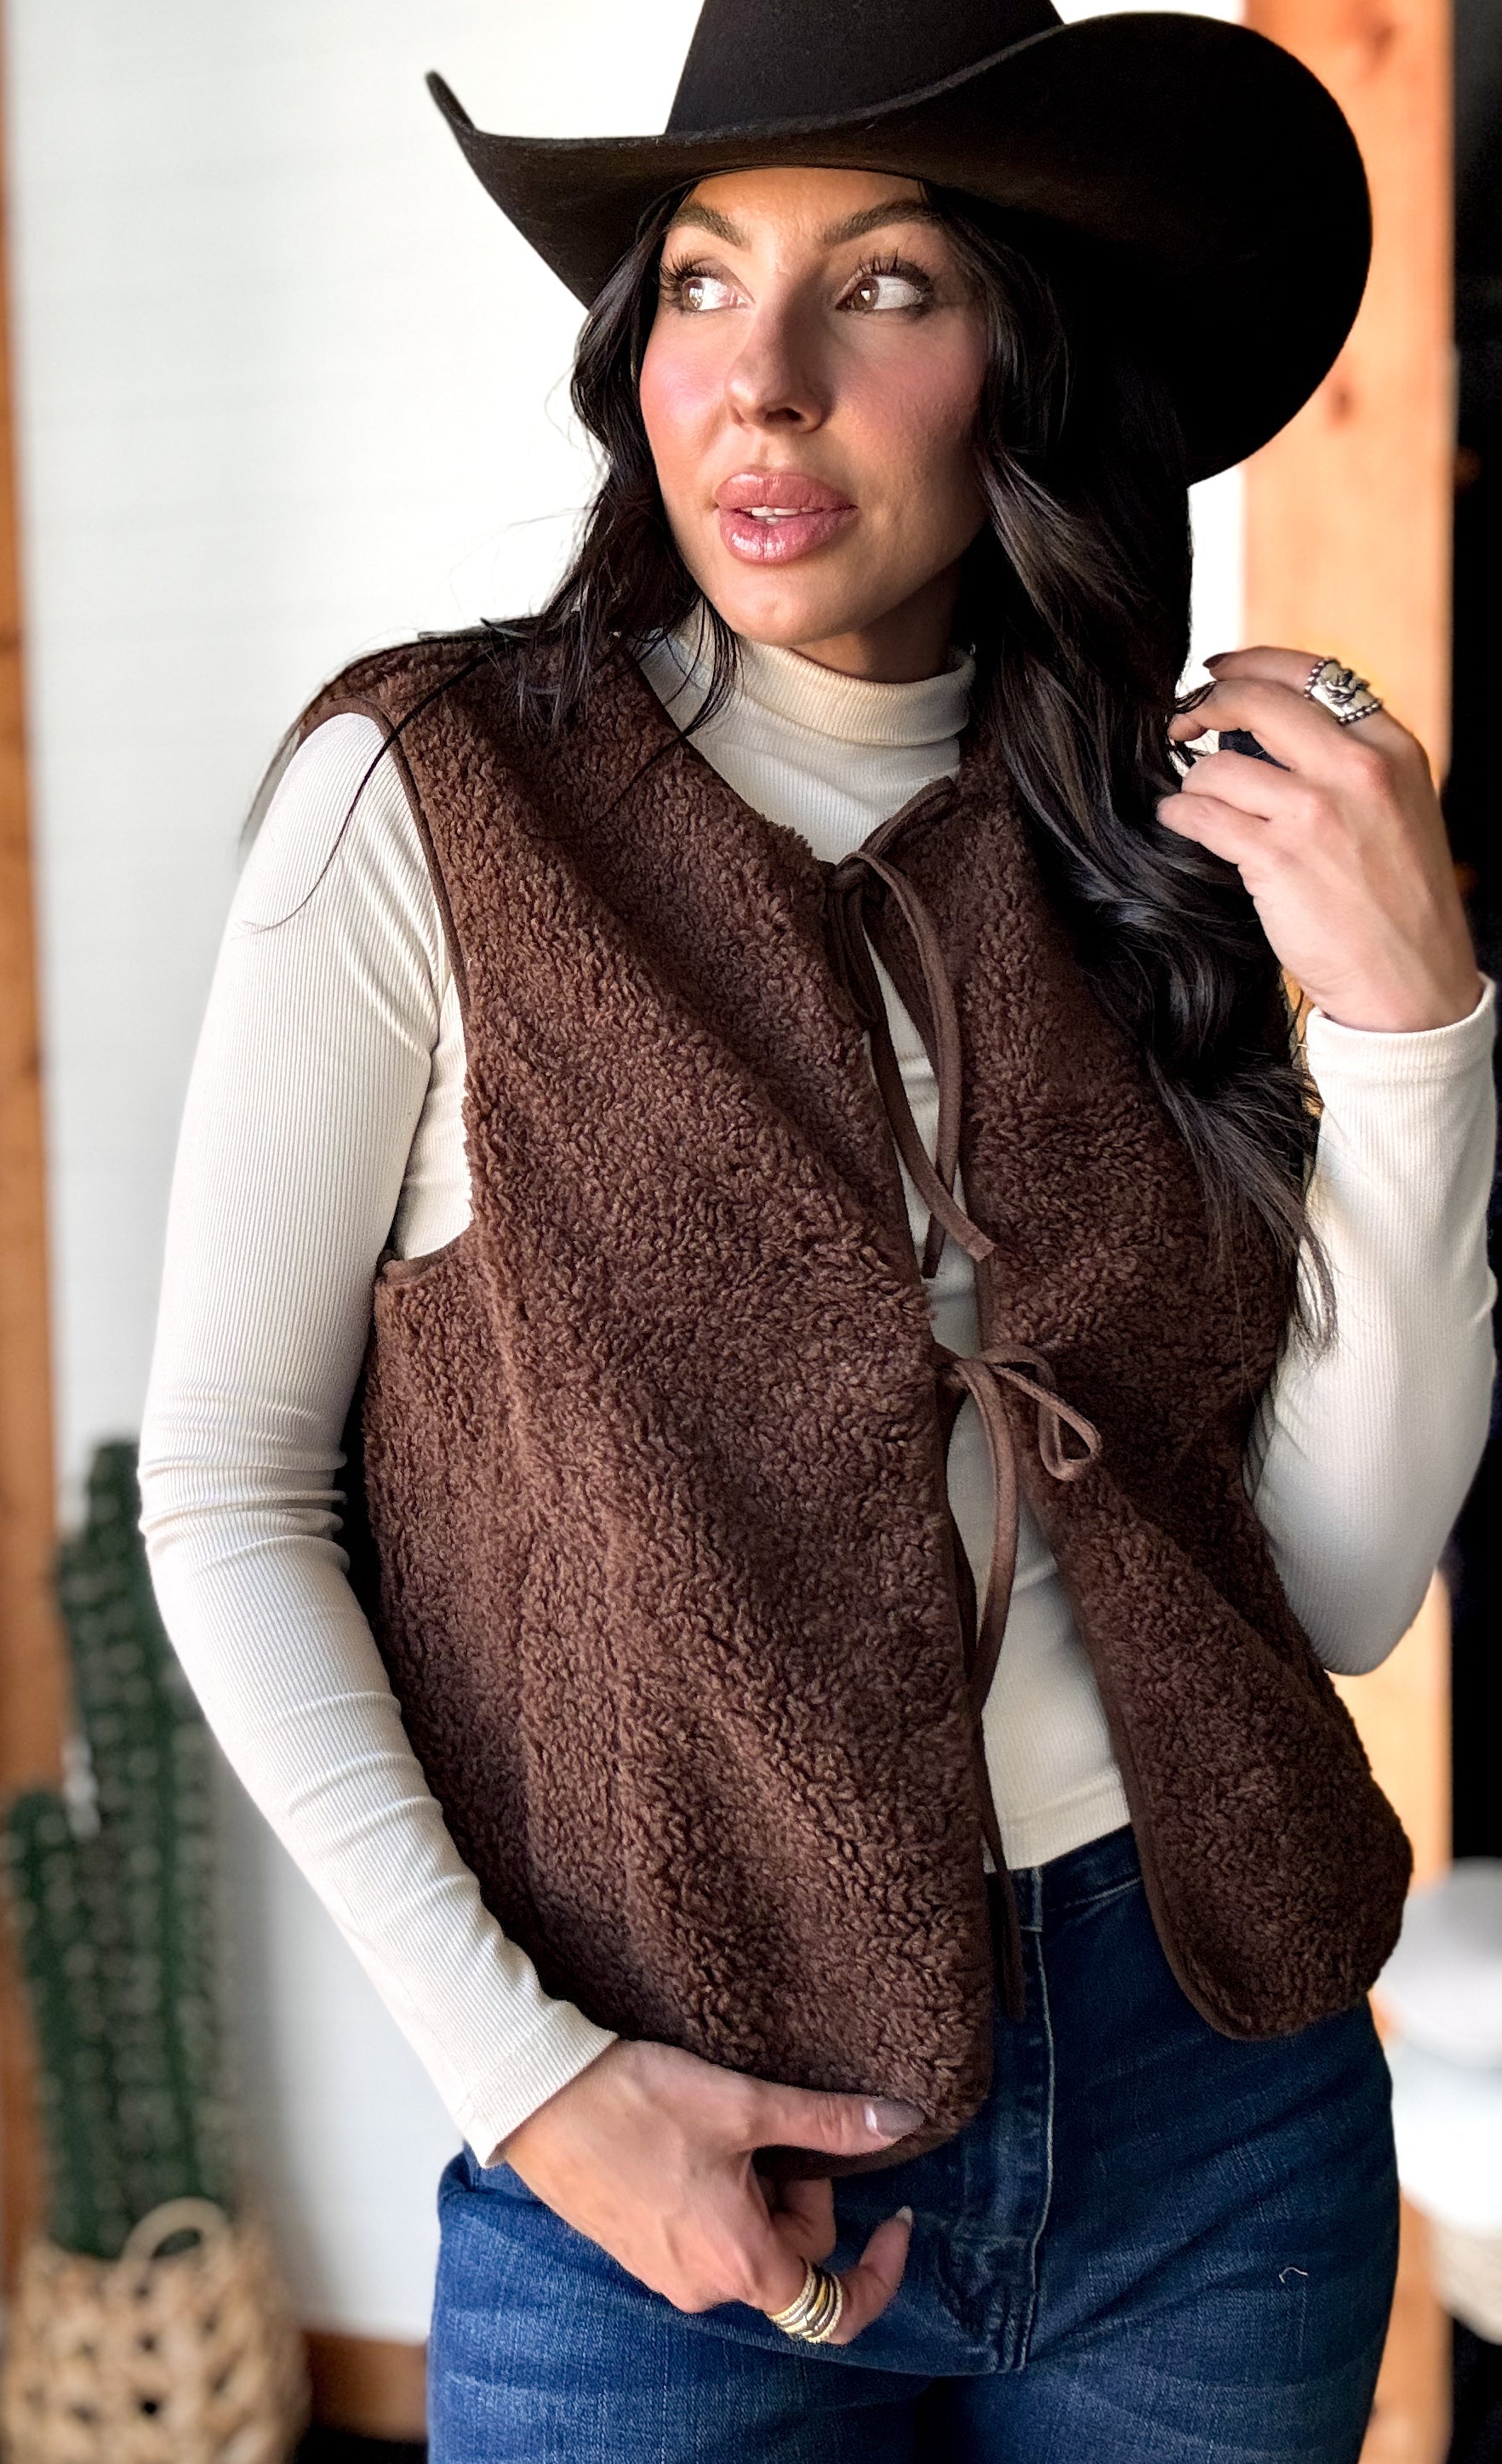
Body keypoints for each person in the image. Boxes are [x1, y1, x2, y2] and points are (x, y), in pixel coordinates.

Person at [140, 2, 1498, 2454]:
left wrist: (1411, 1030)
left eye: (875, 287)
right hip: (664, 2127)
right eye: (694, 281)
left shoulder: (1165, 861)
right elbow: (224, 1488)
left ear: (1023, 360)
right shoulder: (428, 805)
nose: (755, 381)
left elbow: (1333, 1589)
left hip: (1217, 2100)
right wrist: (529, 2086)